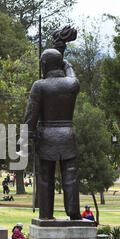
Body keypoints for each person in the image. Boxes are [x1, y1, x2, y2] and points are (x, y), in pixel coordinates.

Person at [23, 43, 81, 220]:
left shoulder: (39, 86)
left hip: (47, 136)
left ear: (44, 65)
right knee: (70, 176)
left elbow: (31, 114)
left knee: (45, 178)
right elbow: (71, 74)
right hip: (67, 136)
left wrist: (27, 135)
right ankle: (73, 212)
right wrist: (67, 63)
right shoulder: (72, 84)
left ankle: (46, 214)